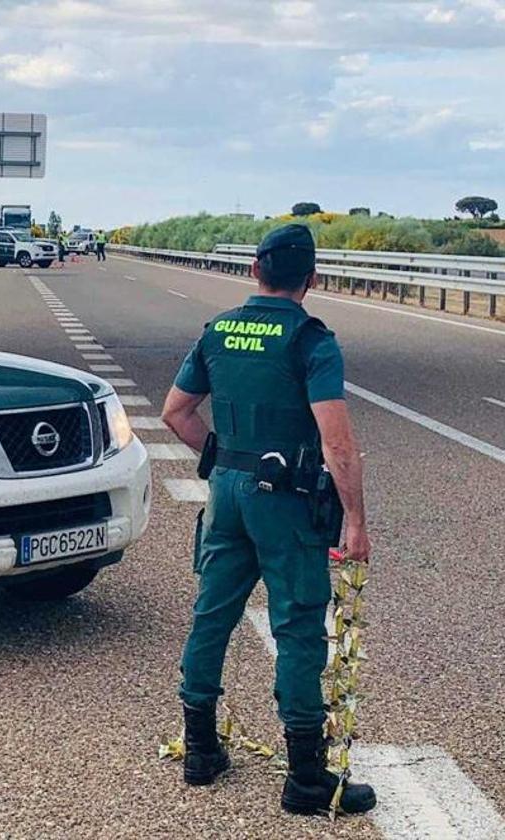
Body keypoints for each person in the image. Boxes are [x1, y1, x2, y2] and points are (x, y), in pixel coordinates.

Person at [160, 224, 376, 816]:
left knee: (213, 613)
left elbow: (176, 413)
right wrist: (354, 520)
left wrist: (223, 461)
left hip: (227, 492)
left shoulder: (218, 331)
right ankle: (306, 777)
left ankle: (201, 749)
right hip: (287, 503)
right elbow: (337, 443)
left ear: (255, 271)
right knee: (299, 627)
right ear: (312, 279)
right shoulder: (311, 340)